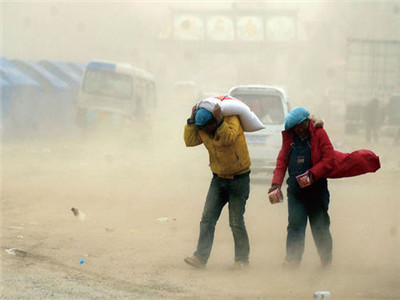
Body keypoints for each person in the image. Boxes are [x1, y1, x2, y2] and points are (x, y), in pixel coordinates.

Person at [183, 103, 251, 269]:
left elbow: (228, 137)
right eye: (202, 128)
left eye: (207, 127)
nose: (205, 131)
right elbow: (190, 141)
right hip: (218, 179)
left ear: (215, 120)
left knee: (236, 222)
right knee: (207, 219)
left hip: (239, 179)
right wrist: (191, 120)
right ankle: (200, 257)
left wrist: (220, 122)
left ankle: (241, 260)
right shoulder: (202, 128)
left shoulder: (231, 120)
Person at [268, 107, 335, 269]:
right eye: (294, 128)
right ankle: (293, 259)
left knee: (320, 226)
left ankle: (326, 260)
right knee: (295, 225)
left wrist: (312, 174)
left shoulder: (319, 134)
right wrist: (276, 183)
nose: (298, 130)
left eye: (300, 126)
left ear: (307, 122)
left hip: (317, 190)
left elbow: (329, 159)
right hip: (296, 191)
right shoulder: (290, 139)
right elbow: (282, 161)